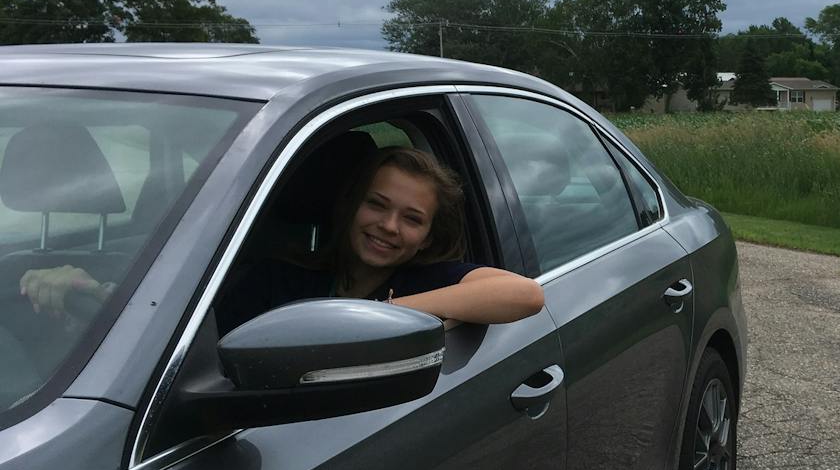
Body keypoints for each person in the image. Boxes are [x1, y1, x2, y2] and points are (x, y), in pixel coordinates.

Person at [21, 147, 545, 336]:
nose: (389, 227)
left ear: (428, 235)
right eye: (377, 205)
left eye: (412, 218)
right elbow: (192, 331)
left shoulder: (427, 279)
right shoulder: (279, 274)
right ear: (350, 205)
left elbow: (524, 295)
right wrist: (87, 288)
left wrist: (391, 316)